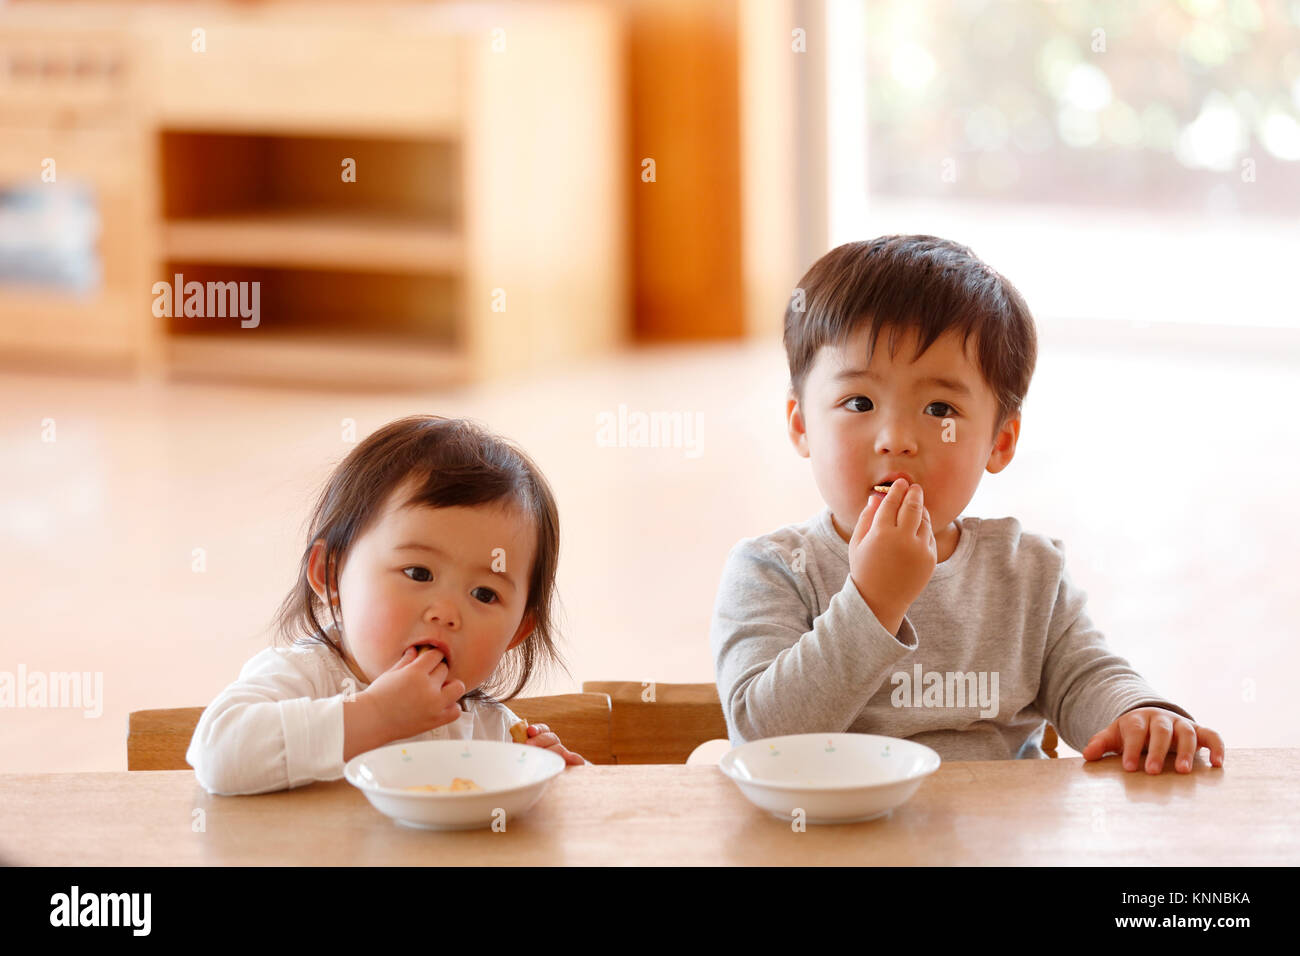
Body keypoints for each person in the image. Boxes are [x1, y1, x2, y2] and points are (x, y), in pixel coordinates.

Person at [710, 235, 1225, 773]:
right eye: (858, 402)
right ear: (801, 425)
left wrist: (1137, 711)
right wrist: (873, 603)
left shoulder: (1027, 572)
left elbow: (1086, 678)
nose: (896, 438)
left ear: (999, 442)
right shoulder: (771, 571)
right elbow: (761, 737)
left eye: (939, 408)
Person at [188, 415, 586, 795]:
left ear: (517, 630)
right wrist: (376, 715)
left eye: (484, 594)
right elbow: (218, 754)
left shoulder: (490, 731)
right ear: (330, 574)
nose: (445, 613)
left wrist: (533, 772)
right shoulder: (303, 680)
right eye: (418, 573)